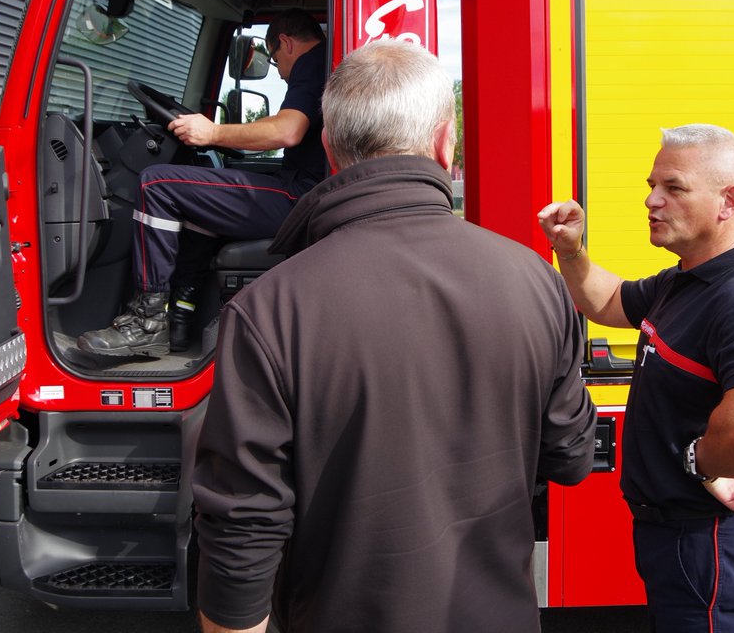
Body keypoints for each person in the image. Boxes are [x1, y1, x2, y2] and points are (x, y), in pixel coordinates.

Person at [192, 39, 597, 633]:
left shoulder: (269, 308)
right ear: (444, 143)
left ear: (329, 149)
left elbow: (242, 533)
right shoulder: (535, 279)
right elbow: (571, 458)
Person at [538, 124, 734, 633]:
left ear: (728, 201)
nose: (652, 200)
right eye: (652, 185)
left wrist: (698, 462)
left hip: (709, 543)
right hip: (674, 537)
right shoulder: (687, 279)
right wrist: (571, 251)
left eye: (673, 188)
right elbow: (609, 301)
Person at [77, 8, 328, 359]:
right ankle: (181, 318)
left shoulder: (312, 64)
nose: (281, 75)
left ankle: (147, 321)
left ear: (285, 43)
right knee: (197, 202)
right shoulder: (324, 63)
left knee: (156, 184)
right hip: (306, 192)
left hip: (301, 197)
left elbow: (287, 131)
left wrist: (211, 132)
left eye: (274, 61)